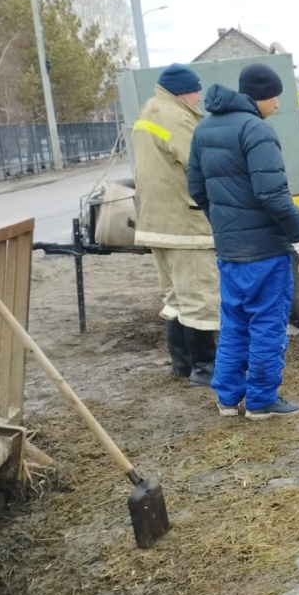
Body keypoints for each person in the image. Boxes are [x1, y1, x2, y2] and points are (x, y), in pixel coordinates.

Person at [187, 63, 299, 420]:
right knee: (266, 324)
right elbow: (272, 193)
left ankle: (227, 399)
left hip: (229, 250)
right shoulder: (257, 130)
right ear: (264, 94)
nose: (277, 104)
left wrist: (225, 226)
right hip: (264, 252)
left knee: (234, 323)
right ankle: (261, 401)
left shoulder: (204, 128)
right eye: (275, 96)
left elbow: (196, 189)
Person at [131, 63, 215, 386]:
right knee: (199, 297)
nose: (198, 99)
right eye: (197, 92)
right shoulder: (178, 117)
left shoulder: (149, 109)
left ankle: (181, 364)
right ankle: (205, 369)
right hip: (185, 223)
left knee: (175, 297)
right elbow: (200, 161)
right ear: (185, 91)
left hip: (155, 221)